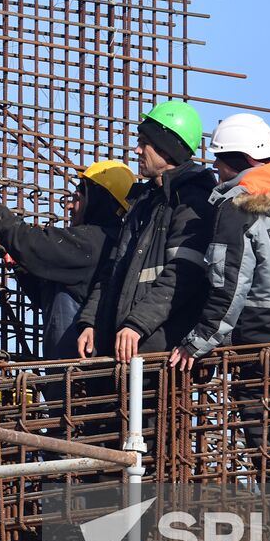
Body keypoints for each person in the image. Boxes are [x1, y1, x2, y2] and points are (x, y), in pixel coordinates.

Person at [168, 112, 270, 483]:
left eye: (218, 160)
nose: (215, 168)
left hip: (263, 342)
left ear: (238, 160)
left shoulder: (238, 208)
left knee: (269, 446)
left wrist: (198, 342)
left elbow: (227, 284)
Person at [75, 101, 215, 362]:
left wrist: (137, 324)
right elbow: (112, 271)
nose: (137, 150)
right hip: (127, 347)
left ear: (167, 148)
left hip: (162, 351)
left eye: (144, 143)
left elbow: (183, 273)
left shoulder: (192, 201)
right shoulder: (145, 202)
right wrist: (90, 322)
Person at [0, 161, 135, 358]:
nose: (70, 206)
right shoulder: (107, 243)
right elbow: (50, 299)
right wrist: (21, 268)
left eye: (77, 197)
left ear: (98, 198)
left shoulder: (94, 241)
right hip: (70, 367)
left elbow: (33, 243)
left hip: (77, 371)